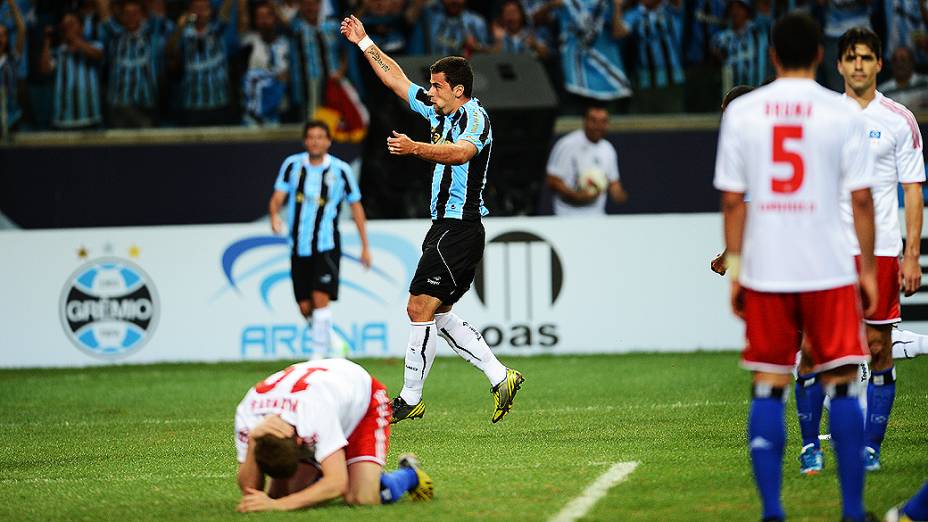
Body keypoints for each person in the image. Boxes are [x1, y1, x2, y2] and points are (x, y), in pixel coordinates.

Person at [714, 12, 877, 522]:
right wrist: (868, 271)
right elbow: (863, 201)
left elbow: (734, 202)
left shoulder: (743, 113)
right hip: (828, 267)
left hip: (767, 268)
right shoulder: (842, 111)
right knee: (844, 380)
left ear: (772, 56)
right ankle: (852, 512)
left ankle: (772, 512)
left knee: (768, 381)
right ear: (822, 56)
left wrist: (737, 267)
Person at [340, 14, 525, 424]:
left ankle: (409, 397)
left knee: (418, 307)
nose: (431, 92)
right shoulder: (437, 109)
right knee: (437, 313)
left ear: (459, 90)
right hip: (445, 227)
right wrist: (364, 41)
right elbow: (396, 80)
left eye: (438, 86)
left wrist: (415, 148)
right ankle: (500, 376)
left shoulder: (474, 117)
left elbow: (461, 153)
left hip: (460, 227)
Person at [793, 27, 925, 475]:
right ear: (839, 64)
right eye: (851, 57)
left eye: (866, 57)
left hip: (883, 251)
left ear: (878, 64)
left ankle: (870, 447)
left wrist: (911, 255)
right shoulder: (821, 117)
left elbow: (913, 191)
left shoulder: (899, 119)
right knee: (812, 349)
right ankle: (810, 446)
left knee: (878, 349)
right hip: (829, 250)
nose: (858, 65)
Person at [234, 359, 433, 512]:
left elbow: (337, 483)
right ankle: (354, 472)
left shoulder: (314, 413)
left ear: (301, 441)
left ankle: (409, 474)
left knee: (361, 498)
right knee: (281, 494)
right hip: (324, 397)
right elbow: (251, 491)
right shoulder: (248, 413)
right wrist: (252, 440)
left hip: (363, 399)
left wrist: (279, 506)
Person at [268, 120, 372, 359]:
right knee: (305, 306)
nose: (315, 141)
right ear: (305, 140)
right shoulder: (292, 166)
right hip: (298, 244)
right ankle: (334, 341)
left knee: (319, 297)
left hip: (326, 244)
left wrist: (365, 246)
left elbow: (356, 207)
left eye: (320, 137)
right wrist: (274, 216)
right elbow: (277, 197)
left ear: (328, 141)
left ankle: (317, 358)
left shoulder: (340, 170)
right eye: (311, 137)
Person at [545, 105, 628, 215]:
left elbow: (613, 182)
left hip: (597, 215)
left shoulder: (608, 149)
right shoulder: (567, 144)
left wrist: (619, 194)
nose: (598, 126)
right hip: (568, 215)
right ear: (585, 121)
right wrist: (576, 196)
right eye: (593, 121)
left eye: (603, 121)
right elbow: (552, 180)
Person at [165, 0, 237, 126]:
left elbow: (225, 12)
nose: (200, 13)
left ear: (210, 11)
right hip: (192, 104)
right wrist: (179, 28)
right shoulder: (184, 34)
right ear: (189, 12)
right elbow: (169, 53)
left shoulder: (217, 30)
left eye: (204, 8)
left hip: (218, 102)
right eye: (196, 8)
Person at [97, 0, 164, 128]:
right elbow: (102, 7)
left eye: (135, 13)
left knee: (149, 146)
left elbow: (157, 7)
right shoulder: (115, 34)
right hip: (119, 105)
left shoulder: (150, 32)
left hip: (146, 103)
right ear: (121, 16)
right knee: (119, 146)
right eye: (127, 14)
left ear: (142, 15)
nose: (131, 17)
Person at [39, 11, 105, 129]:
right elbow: (45, 69)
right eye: (65, 25)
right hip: (64, 120)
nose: (67, 28)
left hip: (90, 118)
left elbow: (98, 55)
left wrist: (75, 40)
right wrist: (47, 40)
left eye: (71, 24)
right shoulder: (59, 52)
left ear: (82, 27)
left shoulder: (95, 45)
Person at [240, 1, 289, 125]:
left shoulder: (286, 44)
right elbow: (242, 21)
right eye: (260, 17)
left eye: (268, 16)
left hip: (279, 111)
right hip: (253, 113)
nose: (264, 21)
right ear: (255, 21)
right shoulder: (249, 42)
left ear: (275, 18)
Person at [0, 0, 25, 137]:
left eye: (3, 35)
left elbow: (21, 30)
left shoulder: (12, 61)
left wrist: (12, 4)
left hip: (11, 119)